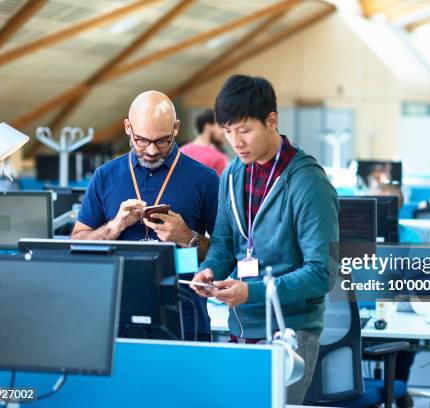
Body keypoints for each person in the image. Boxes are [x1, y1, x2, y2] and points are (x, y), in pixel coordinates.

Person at [190, 75, 339, 404]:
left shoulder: (307, 182)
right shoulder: (231, 175)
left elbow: (323, 272)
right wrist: (210, 270)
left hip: (291, 329)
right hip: (242, 325)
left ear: (272, 121)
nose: (235, 142)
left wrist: (250, 291)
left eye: (244, 130)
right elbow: (224, 246)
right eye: (228, 132)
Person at [71, 90, 219, 341]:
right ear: (128, 128)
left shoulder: (205, 179)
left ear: (176, 128)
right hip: (116, 318)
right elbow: (76, 244)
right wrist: (113, 228)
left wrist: (188, 237)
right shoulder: (105, 176)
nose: (151, 150)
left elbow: (229, 251)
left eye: (162, 141)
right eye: (141, 140)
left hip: (186, 320)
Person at [368, 182, 419, 408]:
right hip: (364, 313)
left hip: (400, 313)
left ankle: (398, 389)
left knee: (405, 342)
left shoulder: (412, 238)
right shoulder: (356, 236)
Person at [180, 109, 228, 176]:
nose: (223, 132)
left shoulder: (181, 152)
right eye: (220, 126)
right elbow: (222, 185)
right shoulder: (218, 158)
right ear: (208, 127)